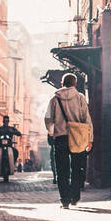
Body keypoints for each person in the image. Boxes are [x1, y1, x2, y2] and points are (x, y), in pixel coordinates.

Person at [45, 73, 92, 209]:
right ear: (75, 84)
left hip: (60, 137)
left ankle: (65, 200)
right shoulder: (80, 98)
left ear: (62, 83)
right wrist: (90, 138)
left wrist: (52, 131)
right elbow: (86, 119)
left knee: (62, 169)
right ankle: (75, 197)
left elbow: (48, 118)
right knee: (77, 167)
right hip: (78, 137)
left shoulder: (55, 99)